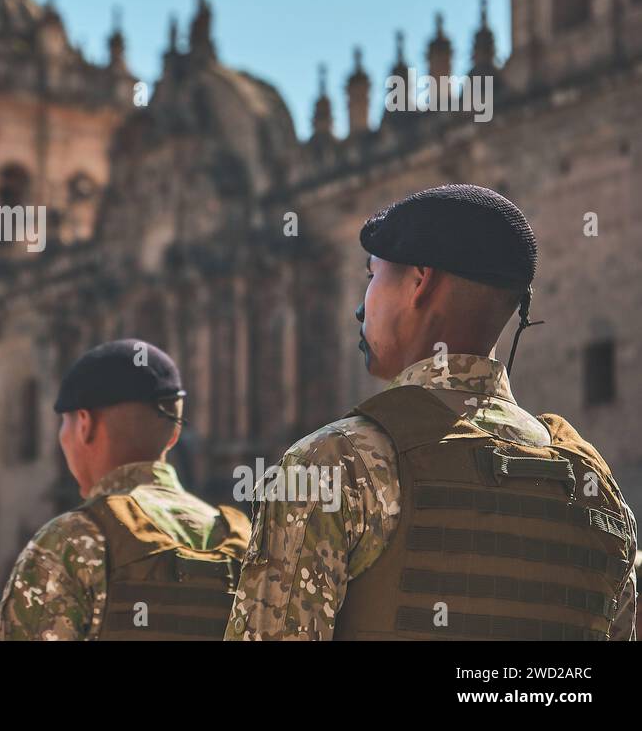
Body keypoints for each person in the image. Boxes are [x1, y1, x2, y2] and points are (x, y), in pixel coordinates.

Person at [225, 184, 636, 641]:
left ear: (420, 281)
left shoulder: (333, 466)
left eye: (372, 276)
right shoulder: (597, 489)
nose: (361, 308)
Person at [0, 338, 250, 640]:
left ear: (84, 425)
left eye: (65, 423)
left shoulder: (71, 542)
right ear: (174, 434)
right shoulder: (247, 543)